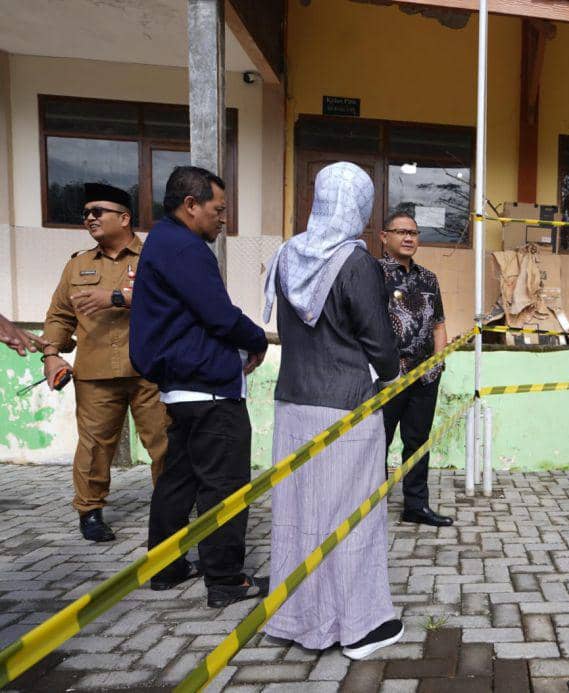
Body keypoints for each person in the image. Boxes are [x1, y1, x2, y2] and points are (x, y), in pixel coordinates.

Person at [262, 162, 403, 658]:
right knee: (352, 518)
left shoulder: (287, 254)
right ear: (359, 206)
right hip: (345, 411)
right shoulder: (353, 262)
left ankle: (298, 620)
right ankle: (360, 626)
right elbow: (379, 344)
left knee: (300, 516)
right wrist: (392, 377)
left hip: (292, 406)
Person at [130, 166, 268, 606]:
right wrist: (256, 338)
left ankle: (166, 568)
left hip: (182, 390)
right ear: (191, 205)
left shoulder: (162, 241)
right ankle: (226, 581)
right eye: (218, 209)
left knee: (178, 481)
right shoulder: (186, 248)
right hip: (209, 394)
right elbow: (218, 314)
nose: (222, 219)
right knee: (223, 486)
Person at [40, 183, 169, 543]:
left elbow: (172, 300)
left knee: (164, 443)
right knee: (94, 446)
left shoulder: (155, 257)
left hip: (151, 370)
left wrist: (119, 297)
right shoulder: (78, 264)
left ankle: (170, 507)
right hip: (95, 372)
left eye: (99, 211)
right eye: (86, 213)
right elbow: (60, 316)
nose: (90, 218)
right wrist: (51, 355)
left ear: (124, 218)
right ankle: (90, 511)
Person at [379, 211, 452, 527]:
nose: (409, 238)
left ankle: (416, 505)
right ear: (385, 237)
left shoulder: (428, 278)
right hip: (387, 378)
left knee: (417, 442)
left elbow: (439, 324)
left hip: (424, 376)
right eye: (401, 232)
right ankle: (371, 505)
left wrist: (438, 364)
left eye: (414, 233)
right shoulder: (373, 273)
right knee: (376, 442)